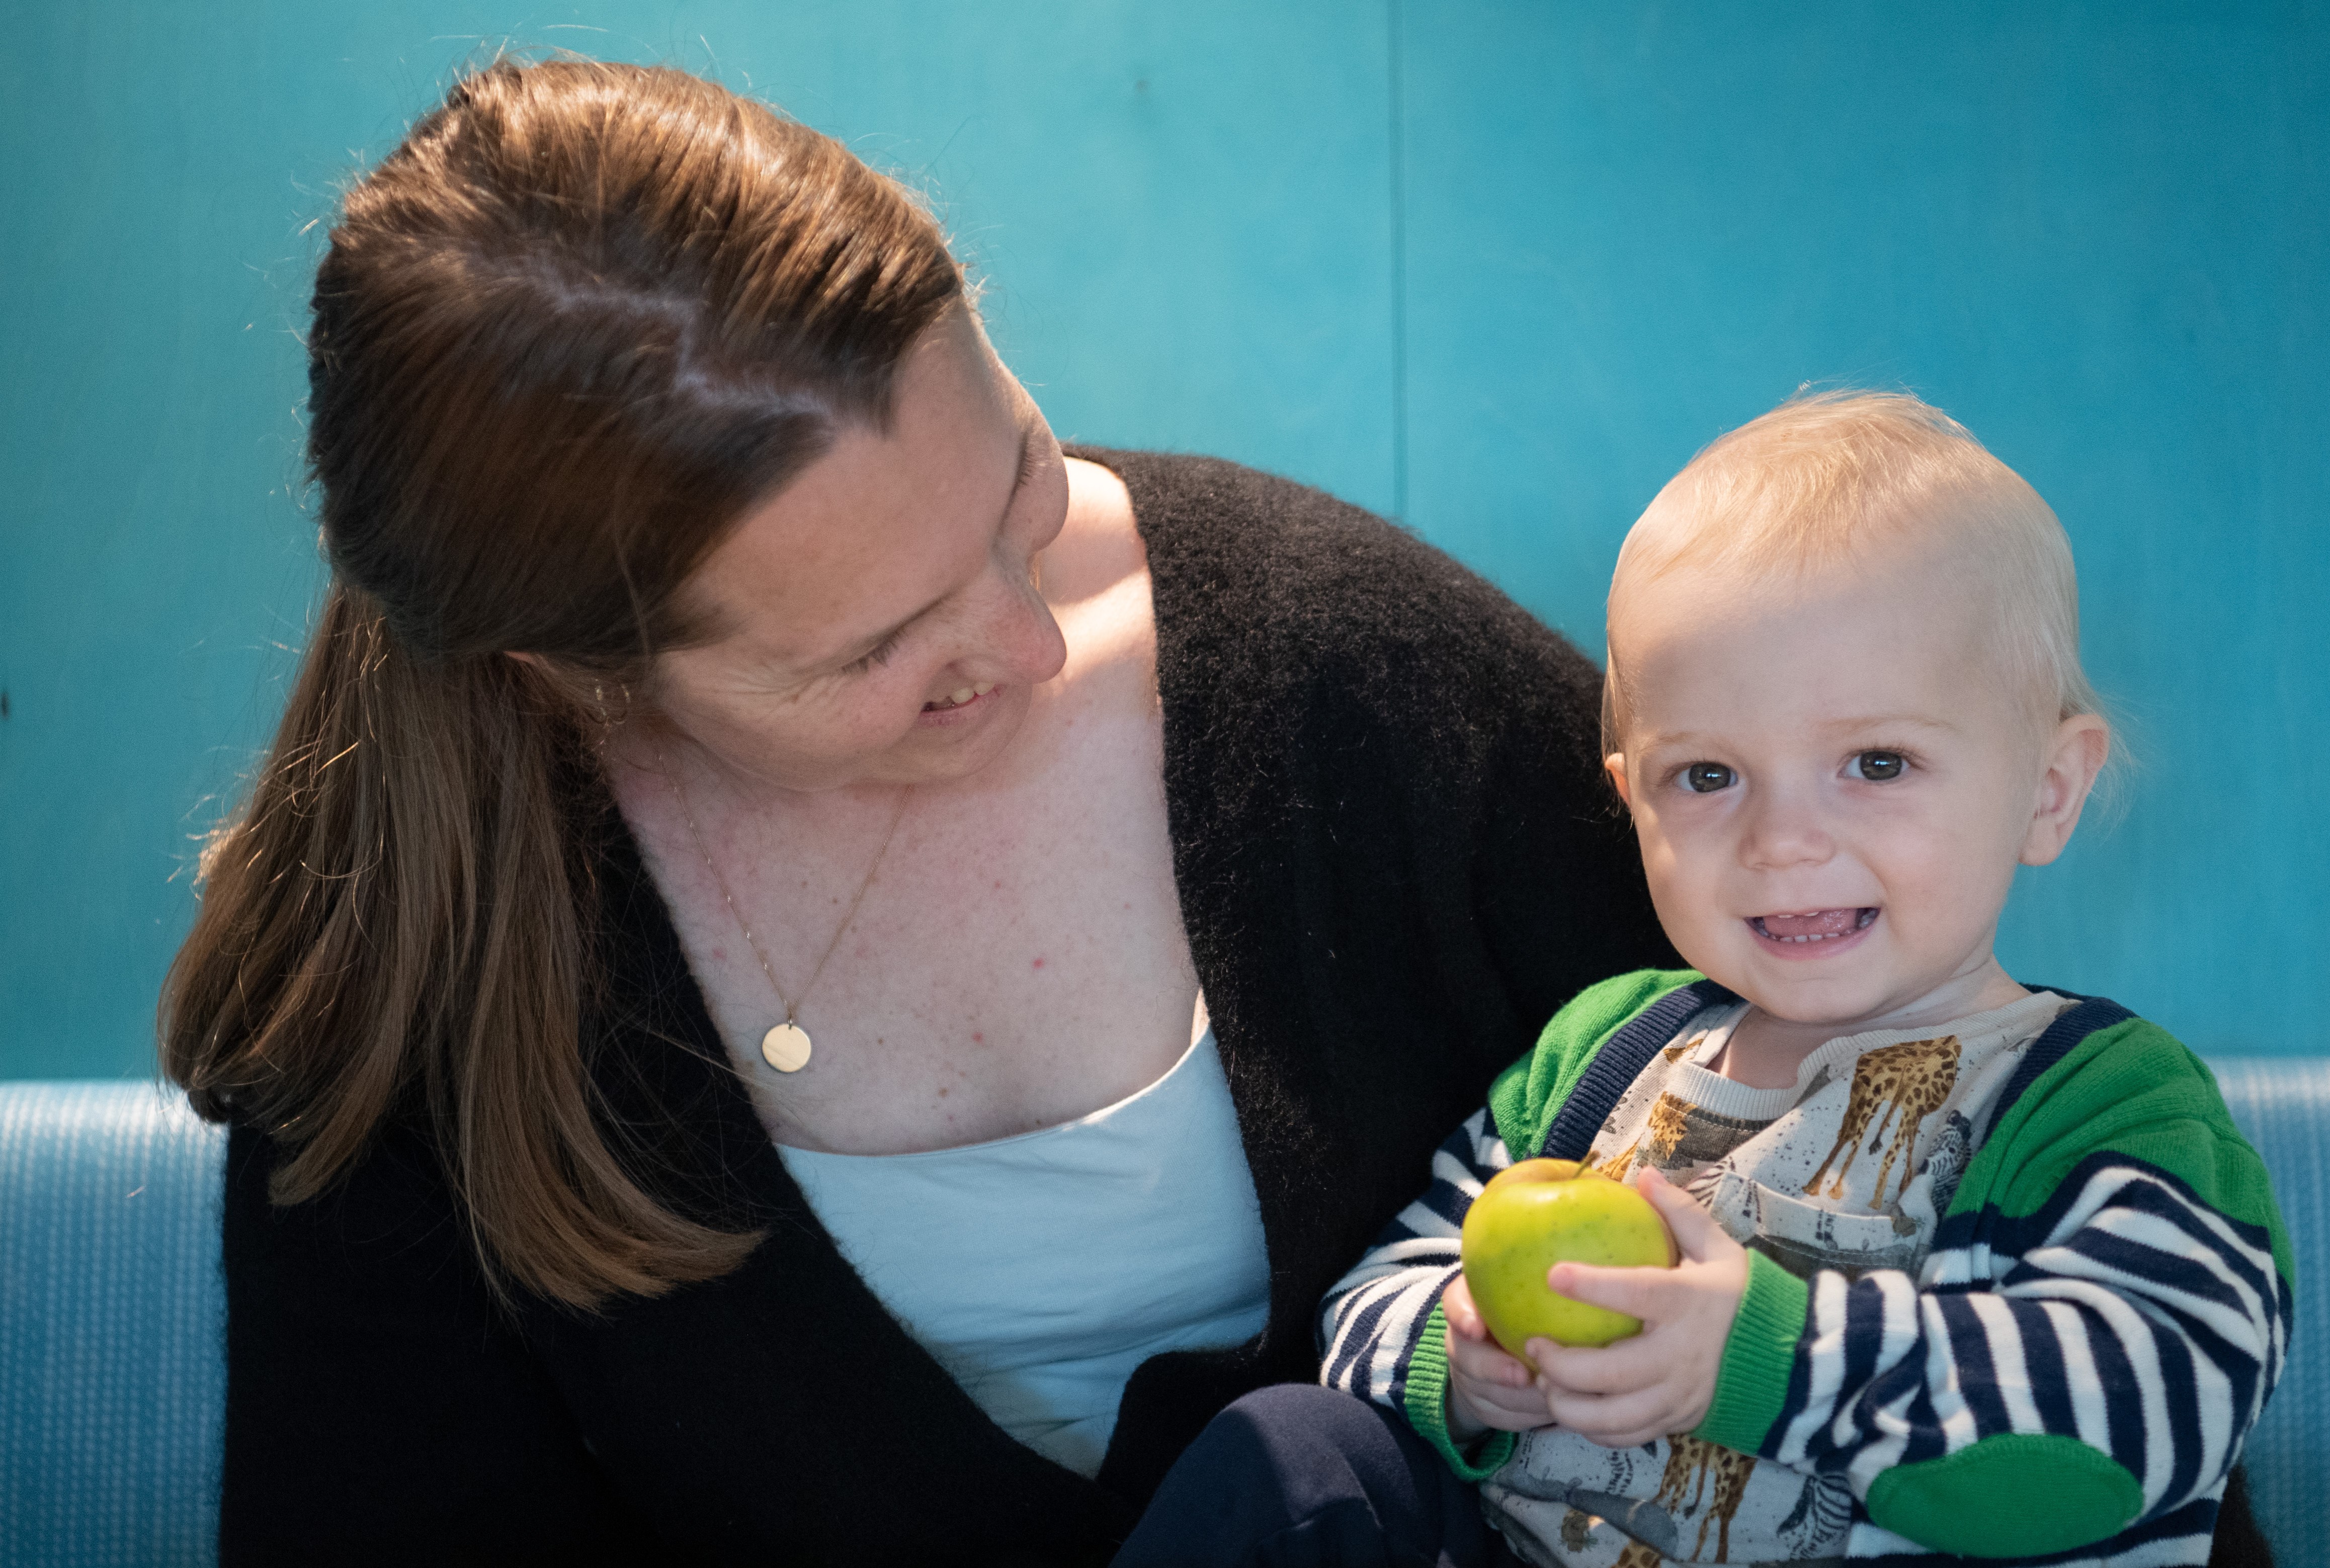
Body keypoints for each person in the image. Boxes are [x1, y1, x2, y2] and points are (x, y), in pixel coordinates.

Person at [160, 57, 1675, 1564]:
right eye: (879, 647)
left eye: (1024, 476)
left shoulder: (1371, 674)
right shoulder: (395, 973)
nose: (1034, 642)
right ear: (567, 674)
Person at [1120, 391, 2288, 1565]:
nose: (1783, 838)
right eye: (1709, 775)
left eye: (1876, 762)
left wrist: (1758, 1357)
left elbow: (2141, 1425)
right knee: (1300, 1448)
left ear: (2048, 787)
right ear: (1630, 797)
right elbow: (1381, 1286)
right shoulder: (1604, 1059)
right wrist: (1460, 1356)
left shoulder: (2101, 1103)